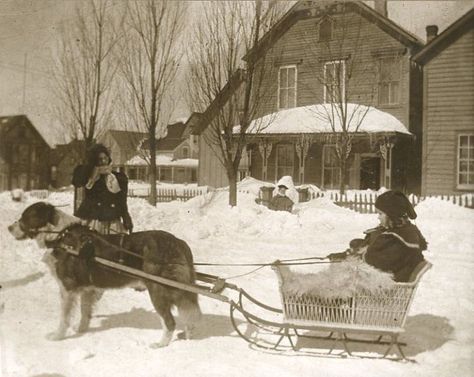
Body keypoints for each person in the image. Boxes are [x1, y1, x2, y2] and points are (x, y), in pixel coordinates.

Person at [328, 190, 428, 282]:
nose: (378, 217)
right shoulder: (398, 232)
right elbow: (375, 250)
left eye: (380, 214)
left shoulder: (400, 238)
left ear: (392, 215)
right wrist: (353, 250)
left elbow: (375, 260)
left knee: (332, 282)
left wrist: (353, 255)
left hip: (382, 288)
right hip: (376, 282)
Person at [72, 143, 133, 235]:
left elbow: (121, 200)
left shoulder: (118, 177)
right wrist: (92, 170)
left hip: (112, 220)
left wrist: (126, 216)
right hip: (92, 220)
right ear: (94, 161)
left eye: (106, 158)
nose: (104, 161)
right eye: (100, 159)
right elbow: (77, 181)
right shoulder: (89, 175)